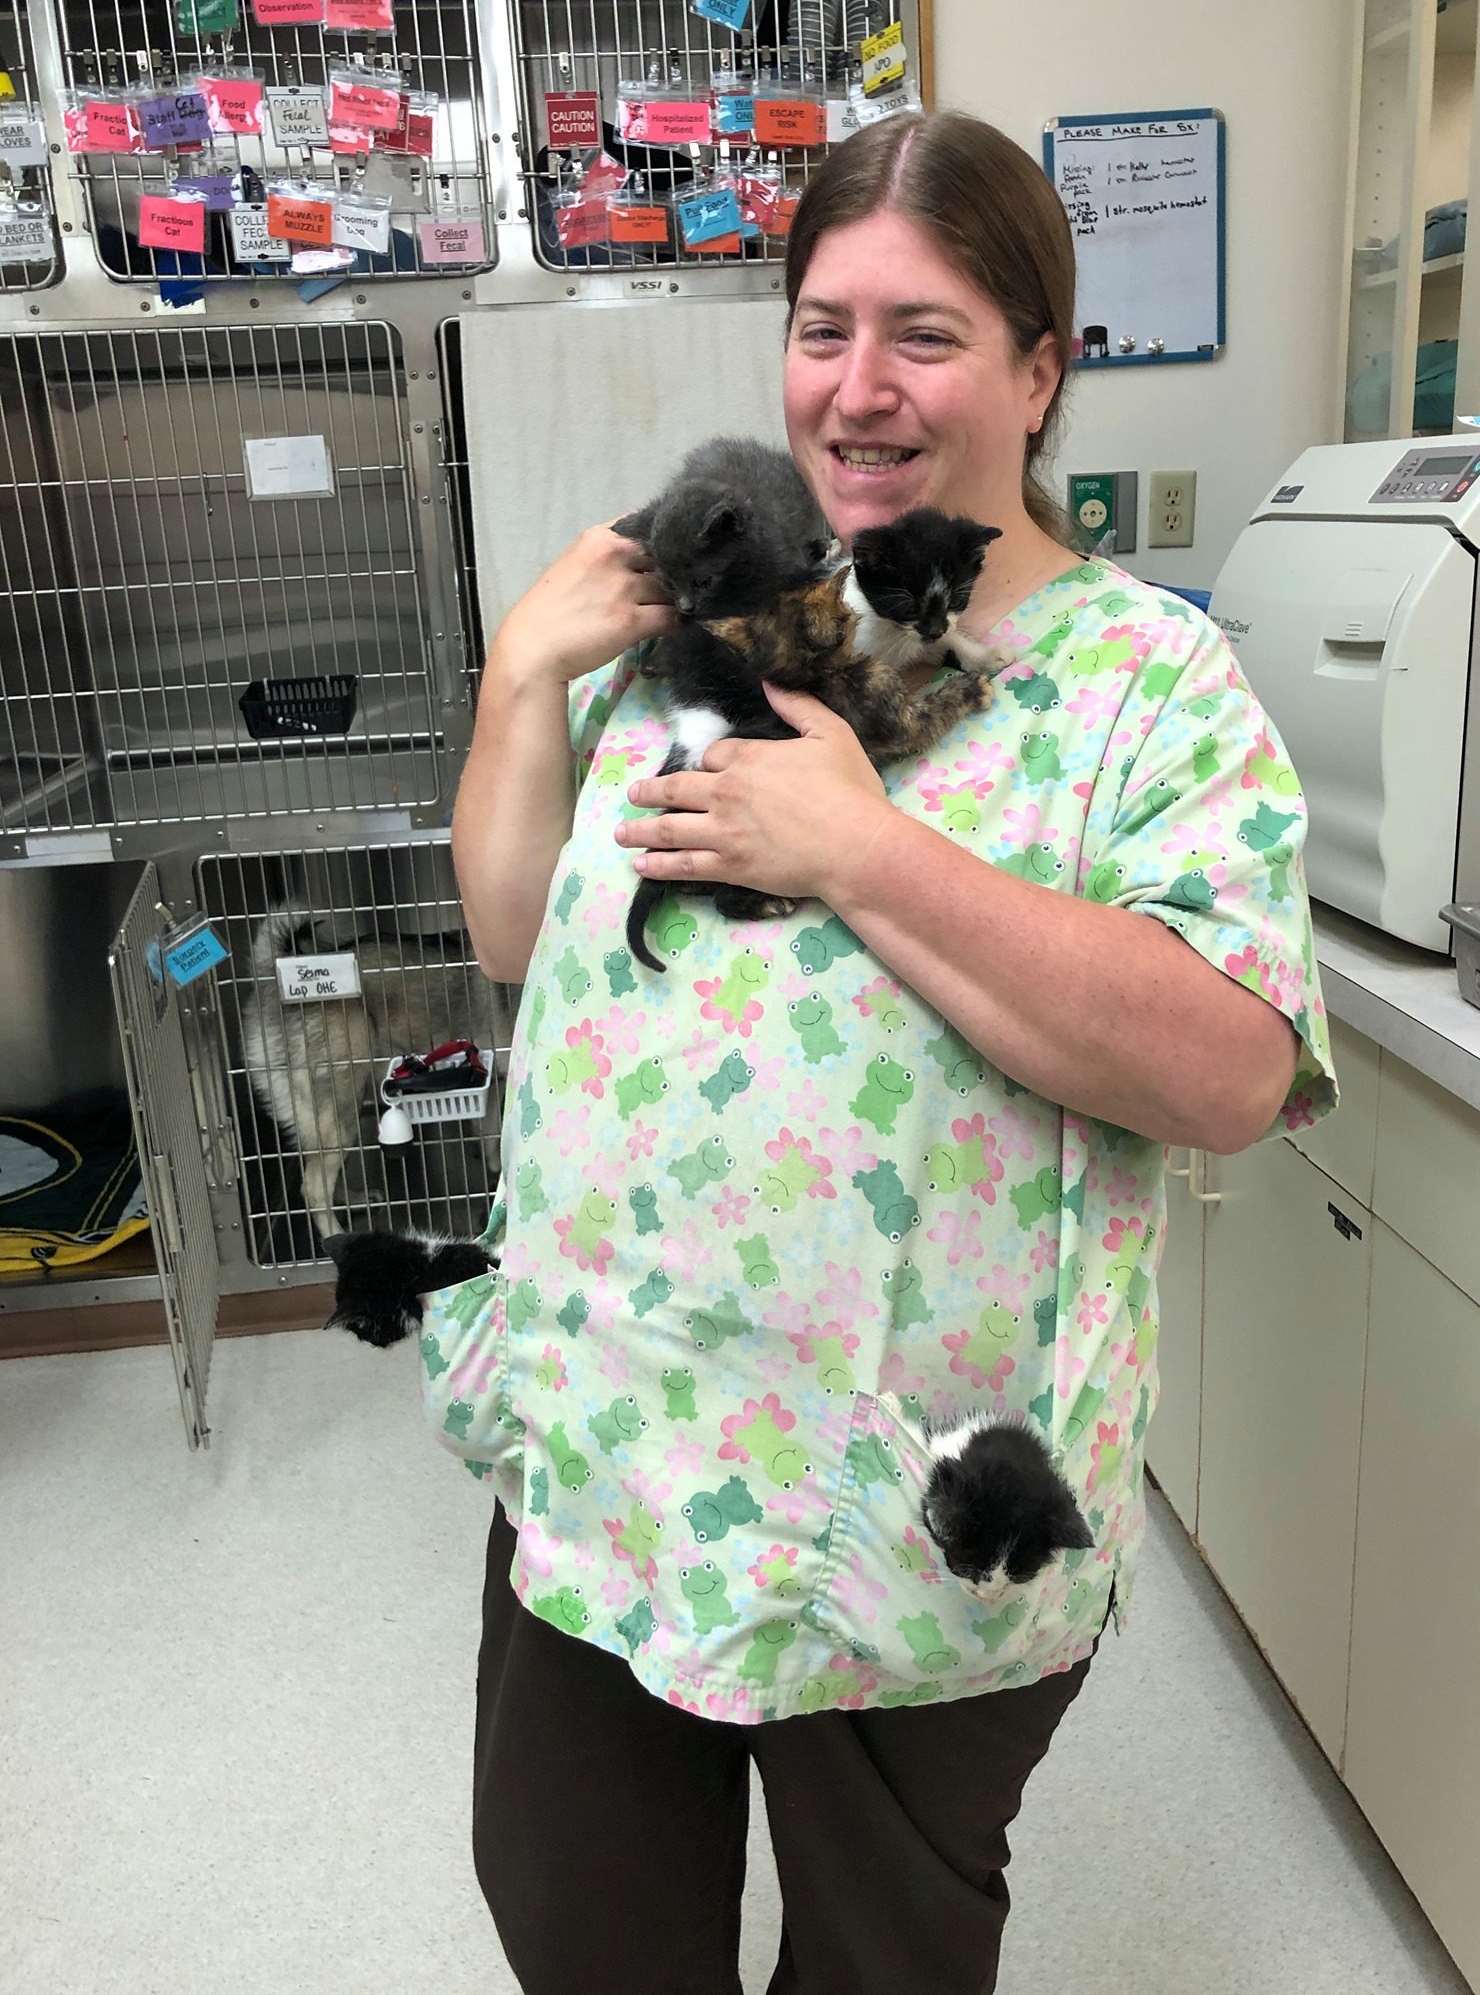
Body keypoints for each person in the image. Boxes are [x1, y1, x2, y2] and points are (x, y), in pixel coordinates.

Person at [436, 110, 1337, 1995]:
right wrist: (523, 678)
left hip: (905, 1493)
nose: (859, 389)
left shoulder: (1147, 684)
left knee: (882, 1956)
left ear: (1040, 369)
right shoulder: (713, 620)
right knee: (575, 1914)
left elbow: (1232, 1075)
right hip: (619, 1438)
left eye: (925, 335)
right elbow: (527, 945)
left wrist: (862, 852)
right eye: (822, 328)